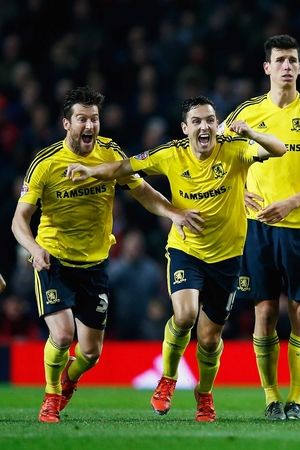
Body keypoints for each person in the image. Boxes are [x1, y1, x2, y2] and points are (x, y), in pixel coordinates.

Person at [66, 96, 286, 422]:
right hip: (186, 251)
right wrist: (90, 170)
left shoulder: (236, 148)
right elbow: (123, 167)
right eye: (196, 121)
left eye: (209, 120)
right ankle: (168, 378)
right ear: (185, 128)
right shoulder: (171, 154)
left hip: (227, 257)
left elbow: (279, 149)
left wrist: (251, 133)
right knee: (184, 315)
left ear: (217, 125)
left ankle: (204, 394)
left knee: (209, 339)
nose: (204, 126)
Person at [11, 86, 200, 423]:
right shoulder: (46, 163)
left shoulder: (111, 154)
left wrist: (173, 213)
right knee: (63, 335)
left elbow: (143, 191)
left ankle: (68, 379)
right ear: (66, 124)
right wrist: (35, 249)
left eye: (94, 119)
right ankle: (51, 397)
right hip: (53, 260)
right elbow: (19, 220)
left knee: (90, 353)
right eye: (82, 119)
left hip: (95, 265)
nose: (90, 125)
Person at [222, 34, 300, 421]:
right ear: (267, 67)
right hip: (256, 228)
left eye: (292, 60)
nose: (287, 66)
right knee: (265, 312)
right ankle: (272, 398)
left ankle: (297, 399)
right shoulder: (246, 112)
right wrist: (236, 193)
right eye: (280, 60)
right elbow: (212, 160)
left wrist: (291, 202)